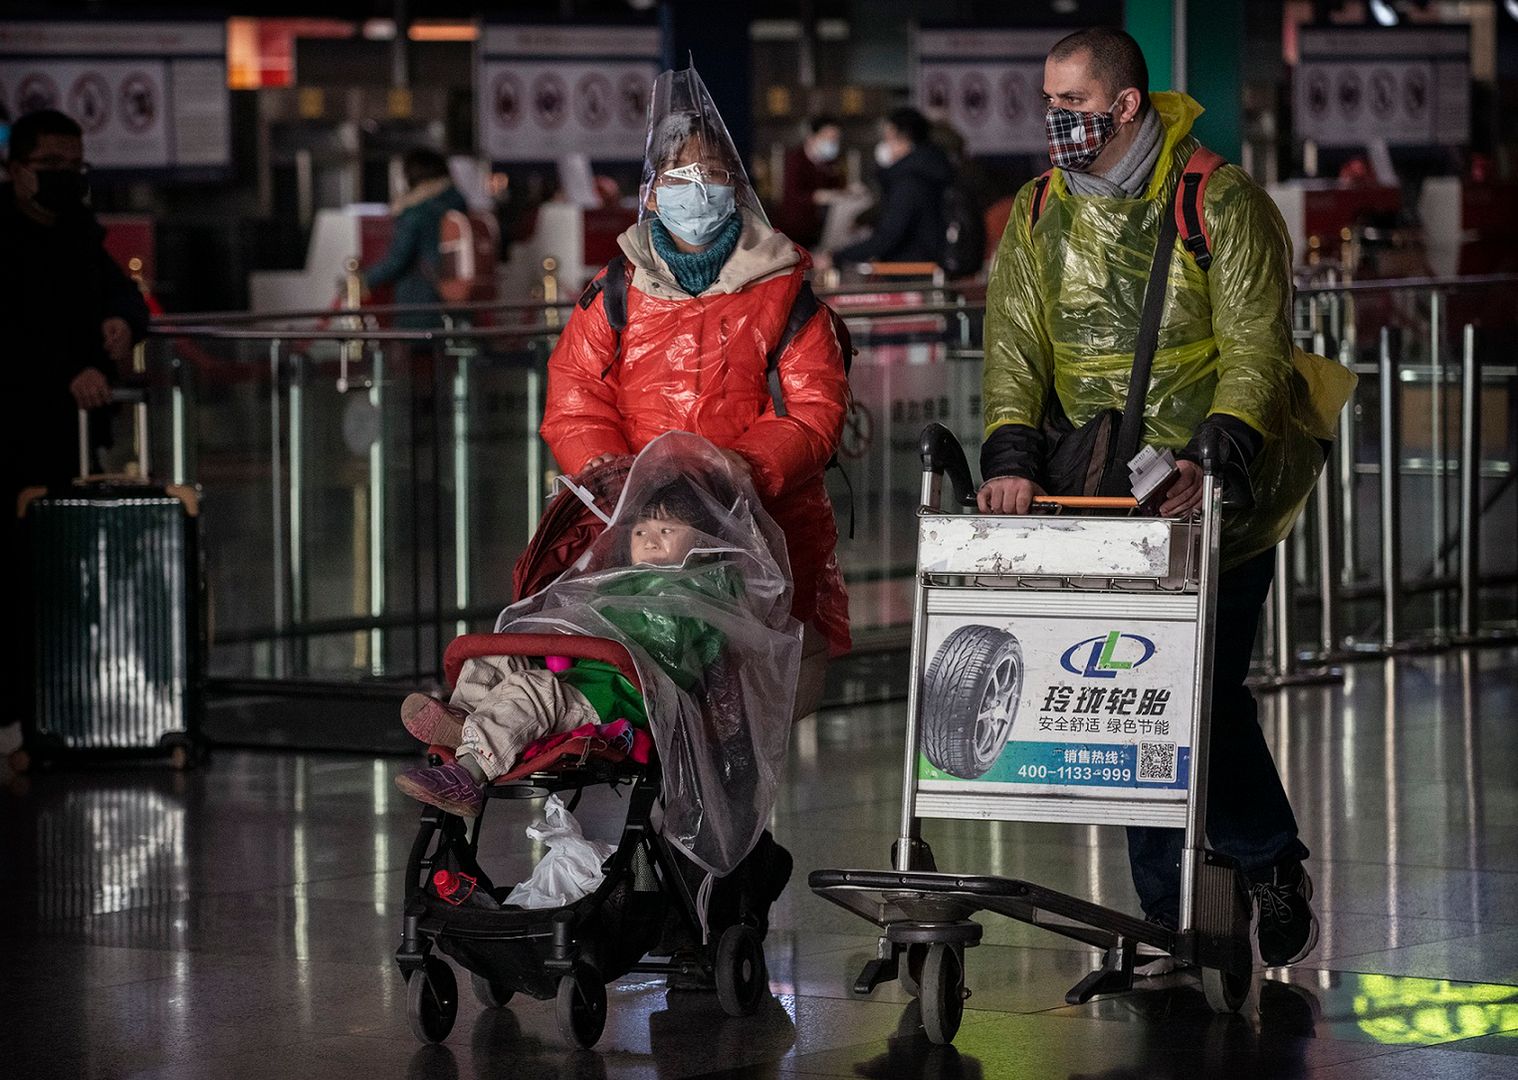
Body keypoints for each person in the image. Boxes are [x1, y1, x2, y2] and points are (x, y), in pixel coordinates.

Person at [977, 27, 1331, 970]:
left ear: (1126, 104)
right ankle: (1166, 914)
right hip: (1092, 492)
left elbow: (1256, 344)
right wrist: (1012, 452)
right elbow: (1014, 342)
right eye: (1047, 102)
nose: (1056, 121)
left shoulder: (1218, 200)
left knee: (1198, 686)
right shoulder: (1040, 209)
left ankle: (1266, 859)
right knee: (1128, 694)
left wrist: (1214, 456)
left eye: (1073, 104)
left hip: (1215, 495)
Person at [541, 65, 851, 720]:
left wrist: (740, 469)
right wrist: (606, 470)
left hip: (759, 527)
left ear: (734, 186)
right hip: (638, 524)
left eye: (708, 174)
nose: (694, 190)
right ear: (652, 194)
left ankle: (732, 822)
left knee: (741, 702)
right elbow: (574, 389)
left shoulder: (784, 289)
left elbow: (816, 408)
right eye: (677, 177)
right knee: (633, 677)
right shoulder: (618, 287)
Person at [395, 476, 743, 817]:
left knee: (531, 689)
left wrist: (582, 626)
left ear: (702, 539)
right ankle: (468, 719)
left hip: (620, 699)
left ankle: (468, 773)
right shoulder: (619, 584)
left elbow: (664, 639)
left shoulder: (701, 592)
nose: (650, 541)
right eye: (640, 532)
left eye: (666, 531)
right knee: (496, 653)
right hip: (585, 678)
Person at [822, 106, 953, 270]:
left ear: (904, 138)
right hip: (925, 265)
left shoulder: (910, 181)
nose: (884, 144)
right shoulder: (928, 169)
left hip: (912, 272)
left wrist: (837, 257)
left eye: (887, 137)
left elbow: (888, 237)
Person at [361, 147, 467, 328]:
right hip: (459, 297)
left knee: (415, 352)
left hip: (420, 300)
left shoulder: (417, 212)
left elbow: (397, 260)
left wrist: (363, 281)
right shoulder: (458, 202)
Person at [774, 115, 845, 250]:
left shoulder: (831, 163)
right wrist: (820, 196)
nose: (832, 143)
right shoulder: (796, 159)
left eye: (835, 139)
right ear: (812, 137)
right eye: (828, 138)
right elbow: (793, 194)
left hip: (820, 230)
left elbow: (837, 188)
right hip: (793, 231)